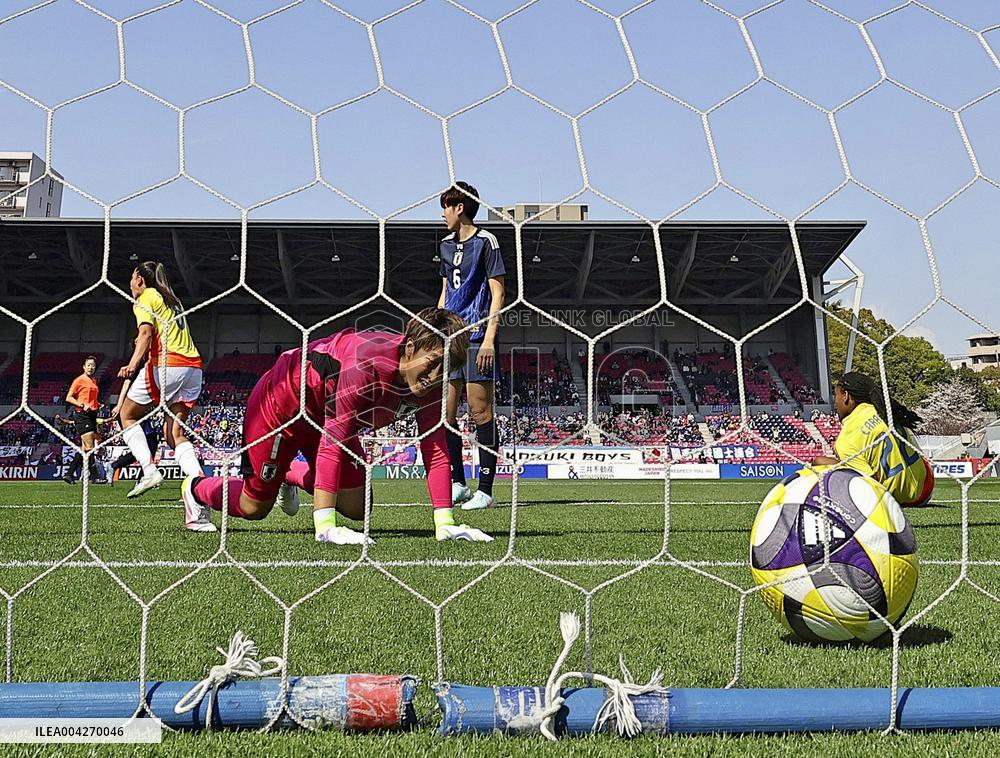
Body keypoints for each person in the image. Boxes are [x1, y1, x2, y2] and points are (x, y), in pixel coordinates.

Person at [180, 308, 492, 543]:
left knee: (359, 508)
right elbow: (333, 442)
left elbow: (435, 449)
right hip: (280, 407)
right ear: (409, 348)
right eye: (432, 362)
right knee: (253, 508)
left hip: (328, 418)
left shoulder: (432, 388)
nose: (436, 375)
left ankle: (290, 475)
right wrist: (325, 526)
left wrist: (445, 522)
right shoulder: (366, 363)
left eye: (447, 367)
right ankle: (195, 489)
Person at [436, 182, 505, 511]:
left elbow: (498, 293)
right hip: (451, 339)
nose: (443, 214)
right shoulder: (445, 246)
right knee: (445, 417)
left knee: (480, 412)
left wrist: (490, 338)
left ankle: (486, 491)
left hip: (477, 337)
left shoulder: (487, 241)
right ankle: (458, 484)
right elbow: (445, 291)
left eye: (445, 207)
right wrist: (436, 332)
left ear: (459, 207)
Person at [117, 261, 204, 499]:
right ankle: (200, 484)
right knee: (173, 433)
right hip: (193, 368)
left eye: (131, 278)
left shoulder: (146, 297)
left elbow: (145, 333)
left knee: (127, 414)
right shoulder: (172, 300)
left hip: (169, 364)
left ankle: (148, 470)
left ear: (140, 280)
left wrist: (132, 365)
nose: (130, 284)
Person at [812, 372, 934, 507]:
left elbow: (868, 486)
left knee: (819, 462)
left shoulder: (848, 437)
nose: (835, 403)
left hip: (894, 498)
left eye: (836, 396)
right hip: (926, 484)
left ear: (846, 396)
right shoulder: (886, 411)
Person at [62, 355, 102, 484]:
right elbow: (69, 398)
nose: (91, 367)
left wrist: (98, 405)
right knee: (90, 446)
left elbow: (91, 399)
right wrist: (82, 405)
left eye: (93, 365)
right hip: (82, 415)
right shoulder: (79, 380)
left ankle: (69, 474)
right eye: (88, 365)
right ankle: (95, 476)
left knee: (85, 448)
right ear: (84, 367)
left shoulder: (94, 381)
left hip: (92, 415)